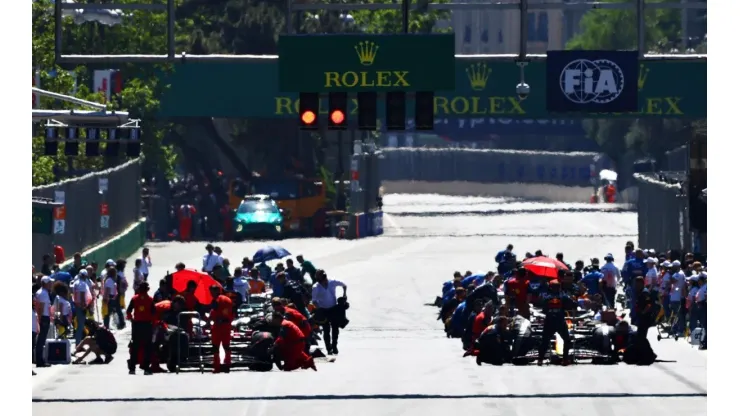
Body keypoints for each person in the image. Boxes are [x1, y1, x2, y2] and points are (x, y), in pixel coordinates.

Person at [537, 280, 575, 366]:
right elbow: (572, 305)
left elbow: (544, 309)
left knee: (544, 341)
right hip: (560, 321)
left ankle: (540, 360)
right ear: (559, 287)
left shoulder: (547, 298)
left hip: (549, 321)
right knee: (567, 340)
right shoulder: (564, 297)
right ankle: (565, 360)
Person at [311, 269, 347, 355]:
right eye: (320, 277)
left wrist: (345, 295)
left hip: (334, 309)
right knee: (326, 330)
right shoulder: (316, 287)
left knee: (335, 329)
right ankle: (329, 348)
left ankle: (334, 346)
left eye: (323, 277)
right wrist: (319, 308)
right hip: (323, 310)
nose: (323, 279)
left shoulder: (332, 282)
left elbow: (344, 285)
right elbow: (314, 300)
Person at [126, 282, 155, 375]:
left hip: (137, 325)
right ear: (147, 289)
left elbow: (128, 311)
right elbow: (154, 313)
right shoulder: (150, 300)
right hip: (147, 325)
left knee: (135, 347)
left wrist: (131, 319)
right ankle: (146, 368)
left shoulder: (134, 299)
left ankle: (132, 368)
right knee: (147, 347)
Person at [208, 285, 234, 373]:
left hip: (218, 327)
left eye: (211, 291)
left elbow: (214, 312)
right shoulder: (228, 299)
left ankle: (217, 367)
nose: (210, 293)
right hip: (227, 326)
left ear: (216, 291)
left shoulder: (217, 300)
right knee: (226, 346)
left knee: (215, 347)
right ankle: (227, 365)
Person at [34, 276, 53, 367]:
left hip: (44, 317)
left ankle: (39, 359)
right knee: (41, 340)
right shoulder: (43, 293)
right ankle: (39, 361)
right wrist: (40, 319)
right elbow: (41, 307)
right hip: (44, 318)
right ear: (45, 283)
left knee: (40, 340)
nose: (51, 284)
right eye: (49, 283)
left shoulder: (41, 292)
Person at [71, 270, 92, 344]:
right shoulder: (82, 284)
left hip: (77, 305)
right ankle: (78, 343)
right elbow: (82, 296)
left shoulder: (76, 283)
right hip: (81, 306)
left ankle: (79, 342)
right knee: (80, 325)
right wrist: (84, 307)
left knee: (80, 325)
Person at [668, 260, 687, 337]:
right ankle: (676, 329)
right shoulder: (679, 273)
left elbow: (671, 281)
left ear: (677, 266)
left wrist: (669, 274)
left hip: (677, 297)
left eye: (673, 266)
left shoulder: (678, 274)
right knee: (676, 314)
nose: (672, 268)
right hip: (676, 296)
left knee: (679, 315)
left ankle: (681, 330)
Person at [695, 272, 707, 349]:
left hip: (705, 307)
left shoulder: (706, 287)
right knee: (704, 325)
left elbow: (706, 297)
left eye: (699, 279)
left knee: (706, 326)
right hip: (702, 307)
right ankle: (704, 342)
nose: (698, 281)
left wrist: (702, 303)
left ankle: (705, 343)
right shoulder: (702, 287)